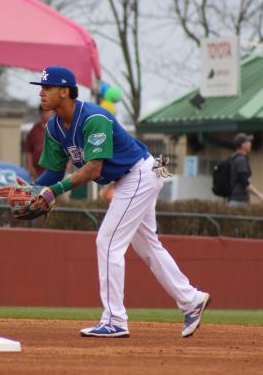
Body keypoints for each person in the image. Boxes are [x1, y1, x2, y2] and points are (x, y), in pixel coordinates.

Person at [23, 66, 210, 338]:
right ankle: (191, 300)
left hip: (141, 172)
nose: (41, 93)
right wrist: (35, 188)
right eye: (41, 87)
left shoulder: (93, 117)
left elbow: (93, 169)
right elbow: (53, 171)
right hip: (133, 176)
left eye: (47, 88)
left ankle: (115, 320)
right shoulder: (53, 128)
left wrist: (54, 191)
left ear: (65, 92)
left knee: (108, 242)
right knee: (148, 246)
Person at [228, 133, 263, 206]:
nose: (250, 143)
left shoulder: (234, 158)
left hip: (235, 199)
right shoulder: (241, 160)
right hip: (239, 201)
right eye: (248, 141)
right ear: (243, 145)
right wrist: (260, 196)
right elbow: (245, 183)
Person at [23, 105, 54, 180]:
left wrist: (68, 163)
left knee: (54, 191)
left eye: (49, 111)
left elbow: (65, 146)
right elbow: (28, 150)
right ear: (41, 113)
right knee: (38, 191)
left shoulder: (57, 128)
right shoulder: (34, 130)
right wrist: (30, 167)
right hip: (38, 172)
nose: (47, 114)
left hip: (55, 170)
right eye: (45, 112)